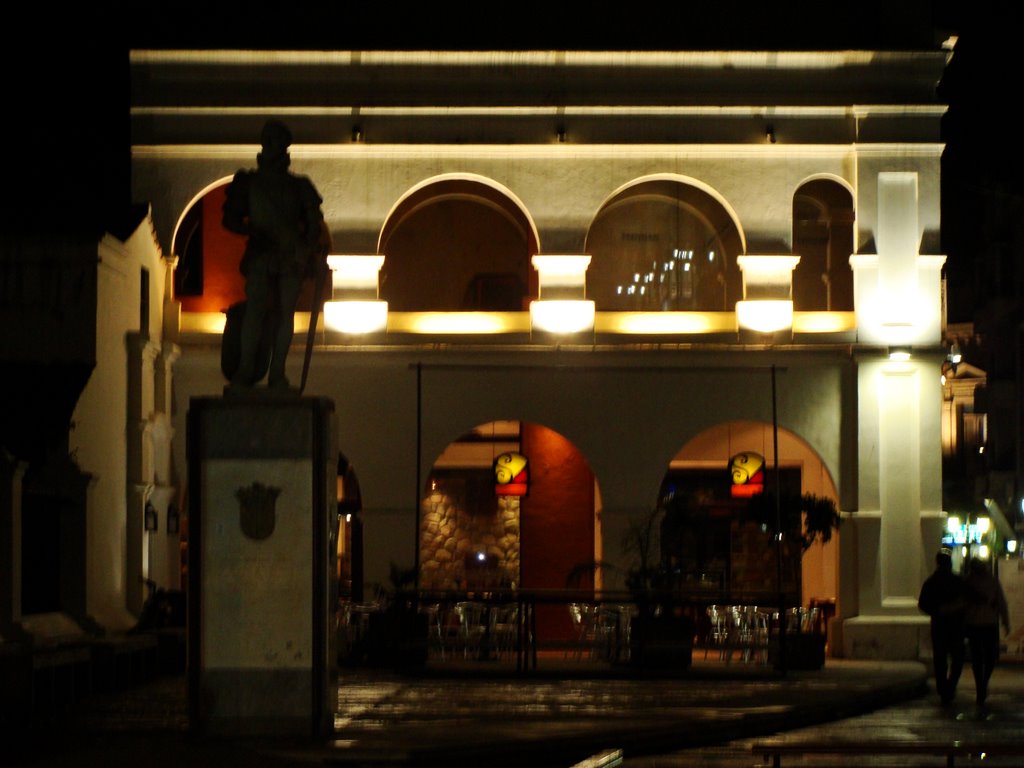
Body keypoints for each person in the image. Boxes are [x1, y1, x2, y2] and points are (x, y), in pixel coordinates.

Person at [222, 119, 326, 390]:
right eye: (269, 140)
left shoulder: (300, 185)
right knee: (254, 311)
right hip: (261, 249)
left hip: (291, 253)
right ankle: (246, 368)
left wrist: (311, 247)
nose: (273, 146)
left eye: (278, 141)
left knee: (285, 315)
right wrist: (250, 231)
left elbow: (314, 223)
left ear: (284, 146)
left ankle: (277, 373)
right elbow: (230, 219)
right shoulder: (248, 182)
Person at [917, 549, 967, 705]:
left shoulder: (931, 582)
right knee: (957, 659)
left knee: (940, 659)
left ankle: (943, 688)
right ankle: (949, 687)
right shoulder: (957, 581)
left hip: (939, 625)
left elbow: (923, 604)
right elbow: (967, 601)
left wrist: (937, 610)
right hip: (955, 626)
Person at [963, 557, 1011, 707]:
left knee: (978, 658)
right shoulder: (990, 582)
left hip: (975, 625)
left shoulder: (968, 583)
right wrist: (1005, 622)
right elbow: (1002, 602)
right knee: (988, 657)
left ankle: (981, 686)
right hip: (988, 624)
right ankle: (982, 685)